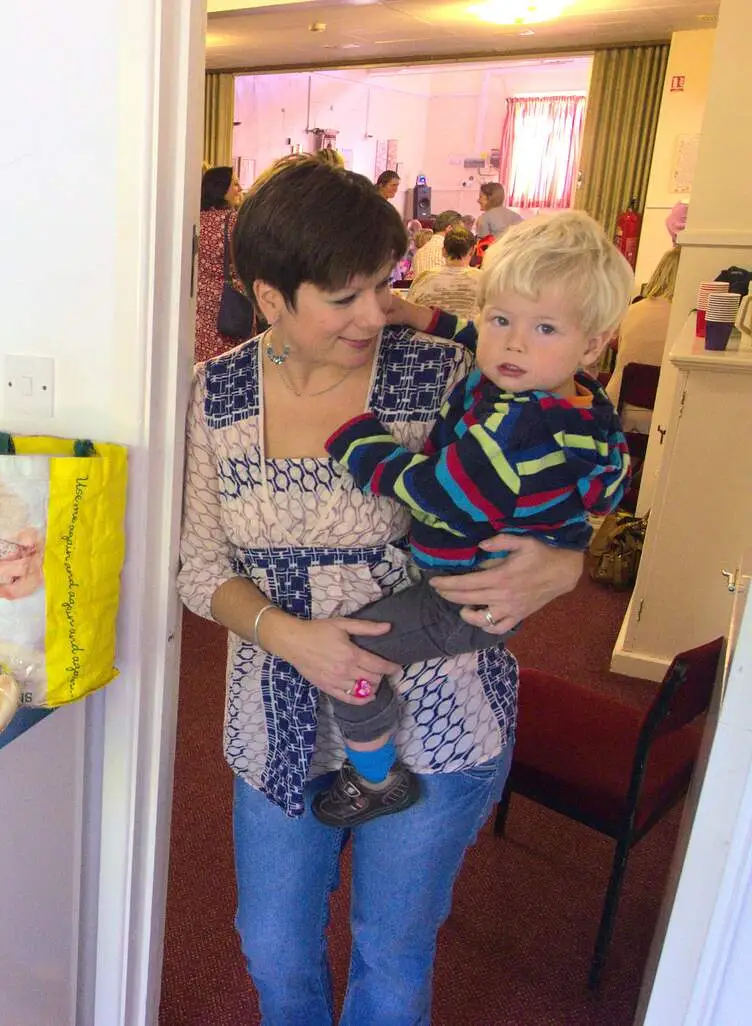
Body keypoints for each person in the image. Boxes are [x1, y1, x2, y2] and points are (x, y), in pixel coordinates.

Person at [178, 159, 582, 1023]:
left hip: (436, 716)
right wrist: (292, 636)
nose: (374, 314)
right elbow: (201, 569)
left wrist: (568, 562)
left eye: (381, 286)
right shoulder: (217, 394)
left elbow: (569, 437)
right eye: (343, 296)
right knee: (272, 945)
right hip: (279, 713)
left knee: (391, 953)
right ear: (270, 295)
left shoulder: (444, 376)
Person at [313, 211, 631, 828]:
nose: (514, 343)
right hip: (486, 575)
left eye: (543, 328)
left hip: (460, 598)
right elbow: (476, 337)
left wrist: (358, 442)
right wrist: (425, 318)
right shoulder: (567, 390)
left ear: (592, 343)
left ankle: (374, 776)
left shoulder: (519, 432)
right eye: (502, 319)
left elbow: (434, 492)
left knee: (347, 652)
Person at [609, 245, 681, 433]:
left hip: (617, 406)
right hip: (660, 414)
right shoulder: (684, 321)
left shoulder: (633, 310)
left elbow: (615, 343)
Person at [196, 165, 247, 362]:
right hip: (229, 301)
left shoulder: (195, 219)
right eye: (234, 183)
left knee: (202, 361)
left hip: (198, 302)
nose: (240, 188)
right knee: (230, 361)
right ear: (221, 188)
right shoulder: (233, 222)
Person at [406, 224, 483, 321]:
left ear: (443, 251)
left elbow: (409, 312)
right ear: (472, 251)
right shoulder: (484, 280)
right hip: (470, 335)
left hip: (428, 335)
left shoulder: (424, 278)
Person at [409, 209, 463, 279]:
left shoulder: (418, 253)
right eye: (461, 230)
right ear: (449, 229)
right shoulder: (450, 251)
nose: (462, 235)